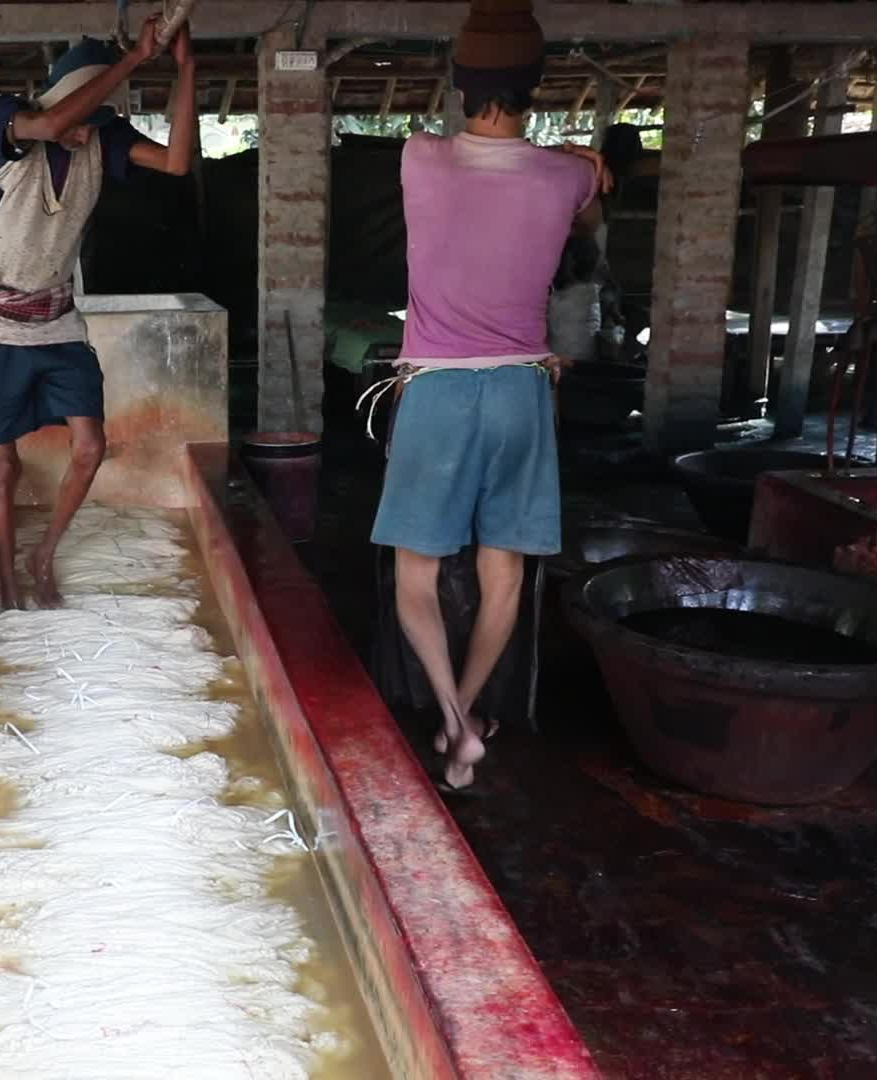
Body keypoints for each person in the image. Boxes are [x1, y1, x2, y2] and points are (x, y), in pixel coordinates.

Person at [373, 0, 608, 788]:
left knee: (416, 577)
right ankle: (470, 713)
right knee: (503, 575)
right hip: (522, 393)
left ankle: (450, 717)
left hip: (438, 393)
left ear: (459, 80)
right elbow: (590, 216)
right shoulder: (570, 176)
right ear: (539, 83)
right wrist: (587, 161)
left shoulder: (419, 158)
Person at [0, 21, 197, 609]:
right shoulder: (5, 125)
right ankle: (8, 577)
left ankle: (44, 554)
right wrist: (138, 55)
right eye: (85, 110)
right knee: (1, 466)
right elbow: (56, 124)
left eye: (99, 116)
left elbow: (179, 161)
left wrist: (186, 68)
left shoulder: (100, 141)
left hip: (56, 323)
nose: (85, 128)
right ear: (56, 99)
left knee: (89, 445)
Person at [546, 232, 603, 367]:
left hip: (564, 367)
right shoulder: (592, 293)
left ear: (571, 262)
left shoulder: (567, 300)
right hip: (586, 362)